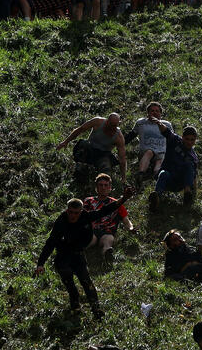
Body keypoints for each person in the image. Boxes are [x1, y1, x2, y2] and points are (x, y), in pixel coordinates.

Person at [34, 187, 135, 317]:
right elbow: (50, 243)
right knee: (69, 282)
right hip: (63, 256)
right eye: (70, 212)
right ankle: (75, 308)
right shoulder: (61, 221)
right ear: (67, 210)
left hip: (78, 254)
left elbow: (105, 210)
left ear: (81, 211)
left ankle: (96, 309)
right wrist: (40, 263)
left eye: (76, 213)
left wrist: (124, 198)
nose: (73, 216)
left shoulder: (85, 216)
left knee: (87, 282)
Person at [56, 113, 127, 184]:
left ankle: (103, 186)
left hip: (103, 155)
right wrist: (66, 142)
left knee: (106, 167)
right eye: (111, 125)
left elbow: (122, 159)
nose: (112, 128)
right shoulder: (97, 122)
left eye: (115, 126)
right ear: (107, 121)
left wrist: (123, 178)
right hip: (90, 149)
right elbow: (80, 129)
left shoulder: (119, 138)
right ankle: (79, 169)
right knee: (84, 144)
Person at [84, 173, 136, 261]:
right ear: (96, 187)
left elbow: (126, 220)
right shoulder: (89, 201)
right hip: (91, 231)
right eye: (100, 185)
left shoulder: (117, 203)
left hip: (107, 231)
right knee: (90, 240)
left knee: (108, 241)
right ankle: (77, 252)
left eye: (106, 185)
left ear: (110, 187)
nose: (103, 187)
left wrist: (131, 228)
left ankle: (107, 254)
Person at [150, 122, 200, 209]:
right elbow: (166, 131)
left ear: (195, 140)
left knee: (189, 165)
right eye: (187, 139)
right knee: (163, 173)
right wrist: (158, 122)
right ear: (183, 137)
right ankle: (156, 198)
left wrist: (195, 193)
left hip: (180, 182)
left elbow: (193, 175)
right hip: (167, 178)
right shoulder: (175, 141)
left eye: (192, 140)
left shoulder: (193, 157)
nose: (189, 142)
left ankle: (187, 195)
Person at [123, 102, 170, 177]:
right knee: (149, 152)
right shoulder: (141, 123)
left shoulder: (166, 125)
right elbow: (131, 135)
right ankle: (141, 173)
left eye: (157, 111)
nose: (154, 113)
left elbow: (171, 138)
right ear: (148, 113)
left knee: (159, 162)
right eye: (152, 111)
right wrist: (120, 143)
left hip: (161, 151)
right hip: (146, 151)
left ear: (161, 114)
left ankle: (156, 175)